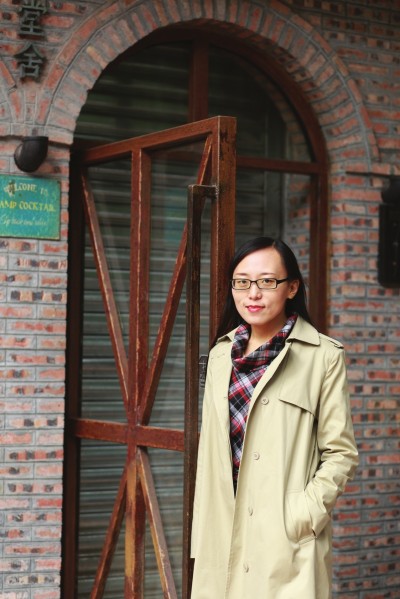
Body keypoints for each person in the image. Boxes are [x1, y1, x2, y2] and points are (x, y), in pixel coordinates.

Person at [190, 237, 358, 599]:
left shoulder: (323, 357)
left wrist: (304, 514)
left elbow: (341, 453)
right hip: (222, 536)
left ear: (291, 287)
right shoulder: (220, 356)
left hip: (285, 542)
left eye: (267, 281)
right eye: (242, 282)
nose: (253, 293)